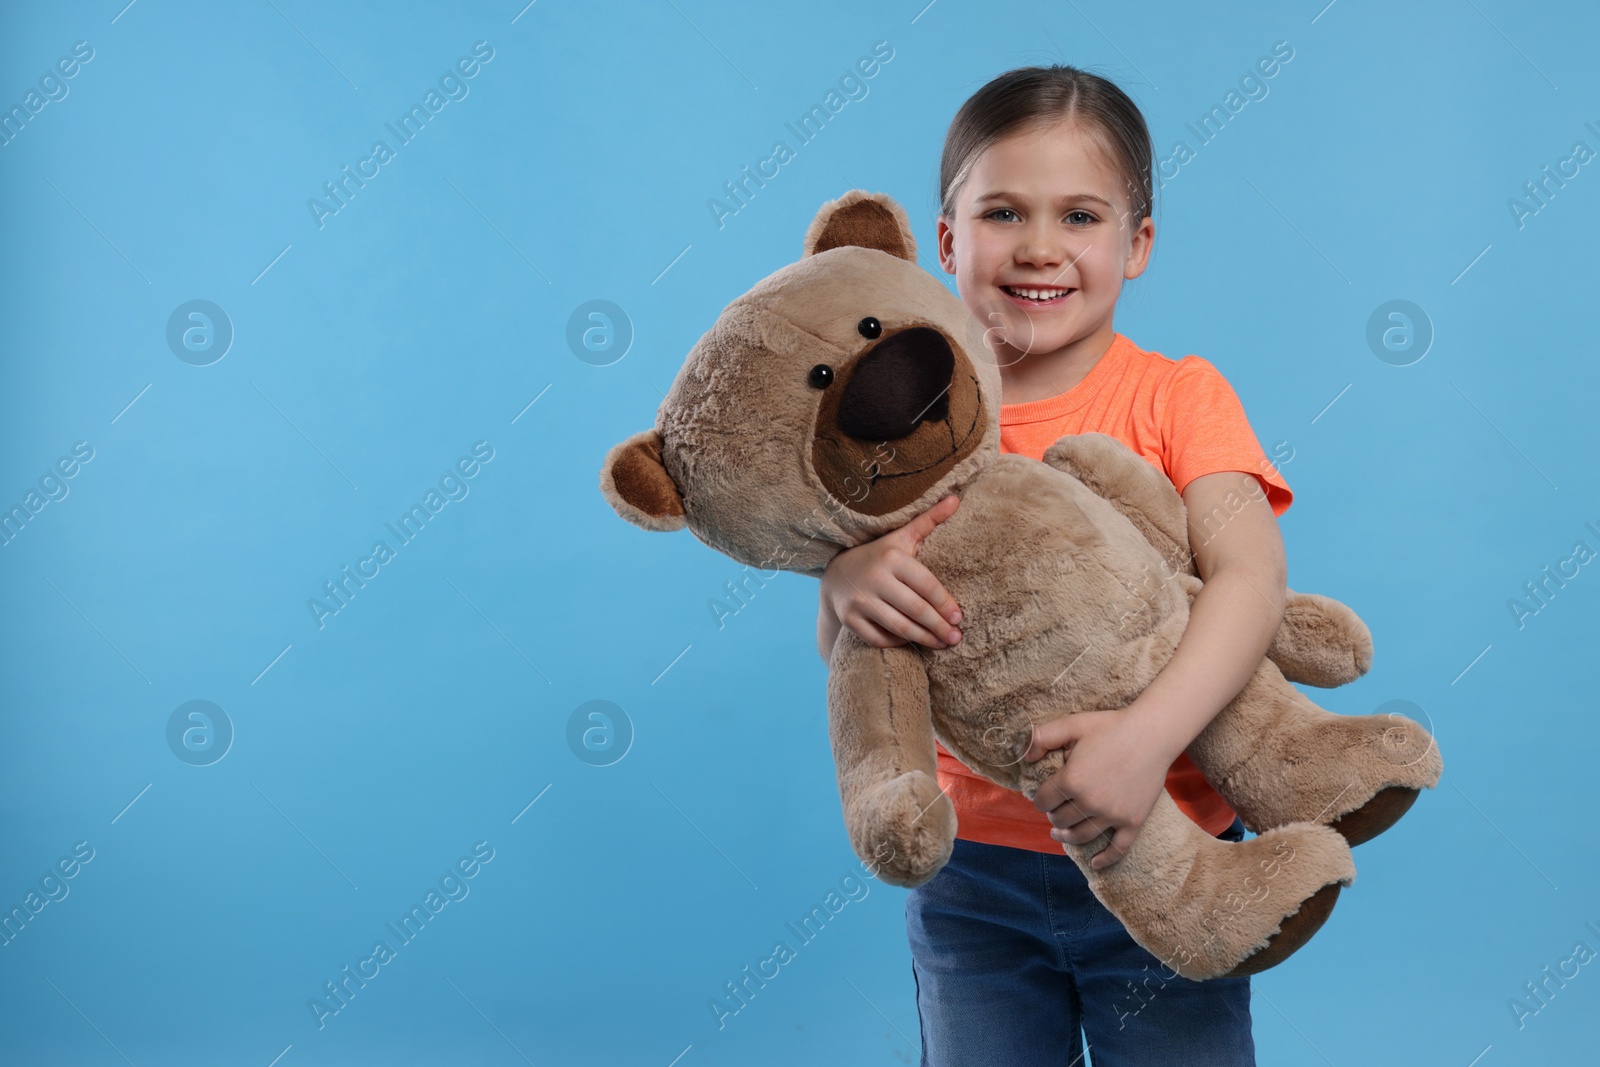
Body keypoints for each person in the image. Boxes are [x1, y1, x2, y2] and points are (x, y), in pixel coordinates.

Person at [816, 65, 1295, 1066]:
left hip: (1167, 847)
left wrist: (1139, 742)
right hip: (974, 875)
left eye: (1079, 214)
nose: (1039, 247)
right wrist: (843, 581)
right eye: (1002, 212)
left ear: (1137, 242)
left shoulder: (1178, 396)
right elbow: (852, 627)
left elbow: (1251, 585)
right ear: (947, 240)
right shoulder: (901, 420)